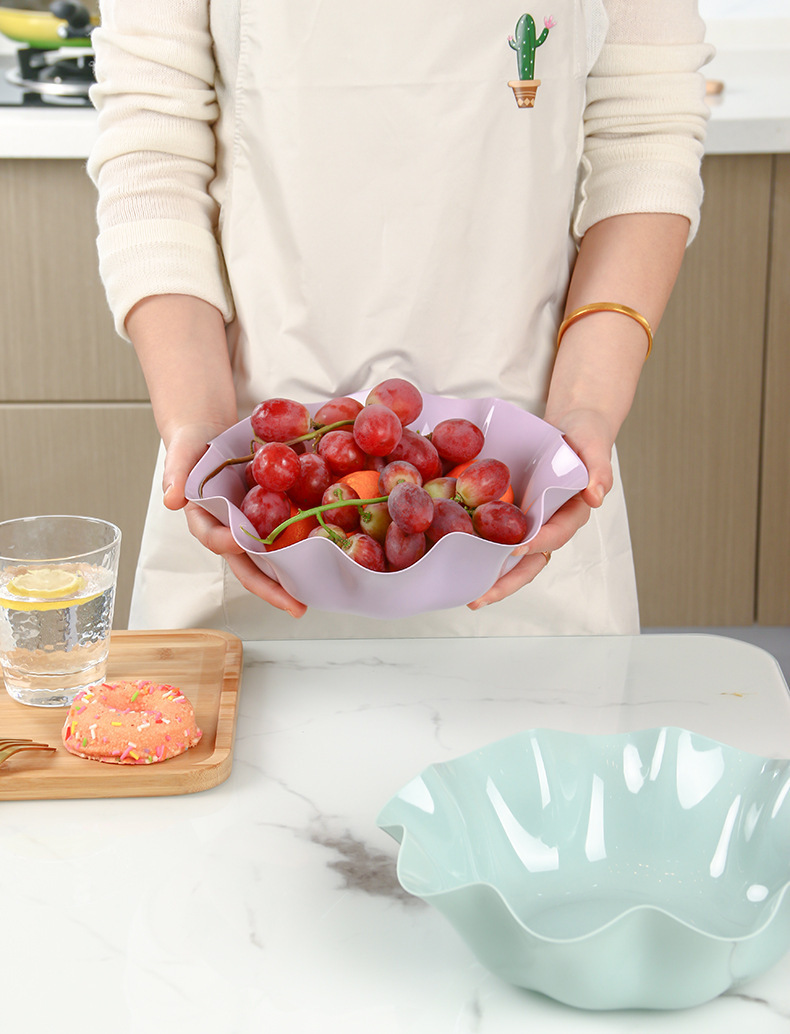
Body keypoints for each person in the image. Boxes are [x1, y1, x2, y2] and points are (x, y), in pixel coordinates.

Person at [87, 0, 713, 640]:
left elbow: (645, 135)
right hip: (258, 491)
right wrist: (198, 417)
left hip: (526, 488)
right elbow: (151, 146)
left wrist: (589, 406)